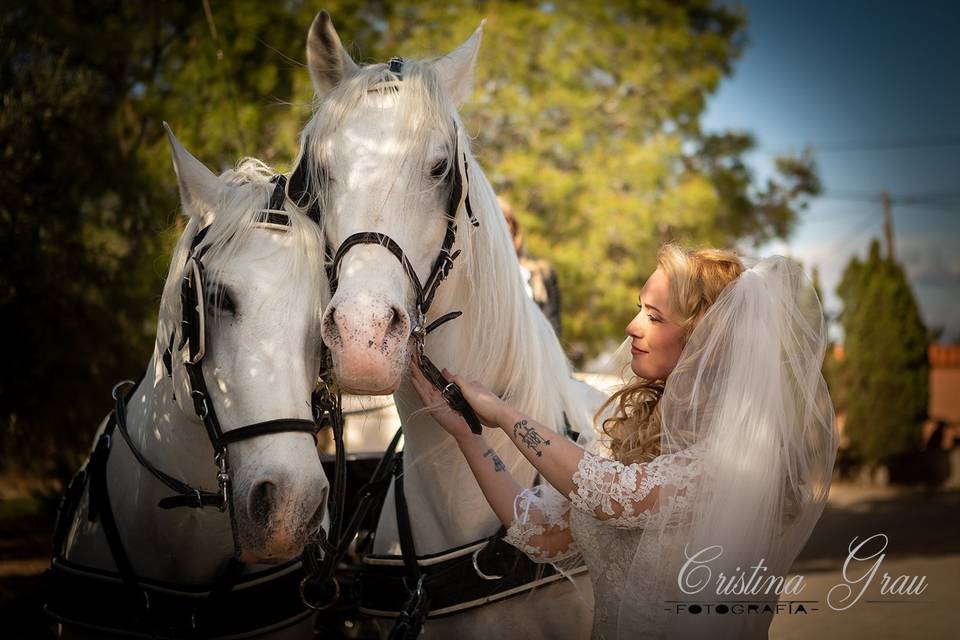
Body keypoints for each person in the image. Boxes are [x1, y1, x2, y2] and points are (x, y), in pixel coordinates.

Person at [409, 244, 838, 639]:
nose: (632, 326)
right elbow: (541, 533)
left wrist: (503, 414)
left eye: (655, 317)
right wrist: (469, 436)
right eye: (640, 309)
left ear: (705, 338)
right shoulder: (635, 441)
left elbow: (608, 495)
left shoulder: (730, 462)